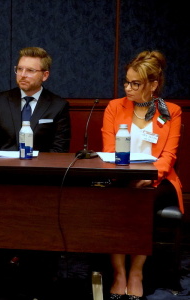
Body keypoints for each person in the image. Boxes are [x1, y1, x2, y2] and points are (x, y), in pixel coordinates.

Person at [102, 50, 183, 300]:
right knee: (116, 200)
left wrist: (151, 178)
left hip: (159, 179)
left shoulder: (171, 111)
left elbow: (168, 156)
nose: (128, 88)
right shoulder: (115, 108)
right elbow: (109, 150)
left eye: (135, 83)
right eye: (126, 82)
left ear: (153, 84)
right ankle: (119, 273)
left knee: (143, 199)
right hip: (121, 176)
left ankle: (136, 272)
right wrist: (126, 178)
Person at [0, 46, 71, 152]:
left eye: (30, 70)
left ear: (45, 75)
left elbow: (59, 149)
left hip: (40, 166)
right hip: (4, 165)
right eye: (19, 69)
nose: (22, 75)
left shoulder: (58, 106)